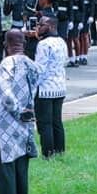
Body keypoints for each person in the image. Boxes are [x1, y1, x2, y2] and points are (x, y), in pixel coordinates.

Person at [0, 30, 40, 194]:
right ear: (24, 43)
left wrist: (17, 110)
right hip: (25, 123)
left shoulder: (6, 63)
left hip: (6, 125)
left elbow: (6, 93)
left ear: (5, 44)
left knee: (5, 169)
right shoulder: (32, 64)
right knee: (21, 166)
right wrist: (26, 112)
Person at [32, 15, 66, 158]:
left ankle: (48, 153)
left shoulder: (44, 45)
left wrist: (33, 86)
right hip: (60, 87)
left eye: (41, 25)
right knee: (57, 122)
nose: (38, 27)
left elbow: (40, 69)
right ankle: (60, 151)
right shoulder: (62, 41)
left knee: (45, 124)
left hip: (45, 89)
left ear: (51, 26)